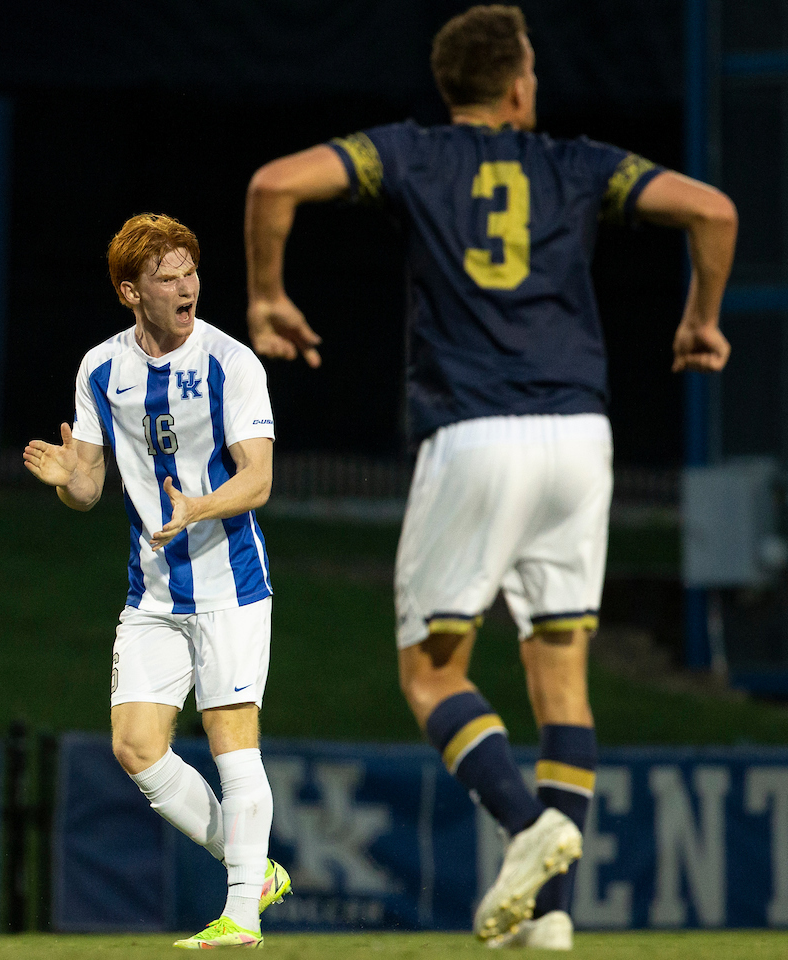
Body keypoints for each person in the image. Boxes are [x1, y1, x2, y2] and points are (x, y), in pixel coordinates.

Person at [244, 5, 734, 949]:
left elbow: (274, 185)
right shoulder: (578, 163)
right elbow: (712, 209)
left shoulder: (411, 154)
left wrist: (269, 294)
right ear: (517, 85)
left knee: (430, 675)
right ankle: (548, 919)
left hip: (475, 434)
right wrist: (699, 317)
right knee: (562, 676)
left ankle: (527, 826)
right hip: (582, 441)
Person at [24, 213, 291, 948]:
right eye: (166, 278)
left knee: (232, 736)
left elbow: (259, 478)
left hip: (230, 583)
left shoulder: (231, 364)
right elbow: (86, 490)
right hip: (152, 591)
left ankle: (240, 914)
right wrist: (63, 479)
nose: (186, 288)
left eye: (191, 273)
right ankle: (255, 870)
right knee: (136, 745)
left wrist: (199, 506)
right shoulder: (100, 369)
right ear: (129, 292)